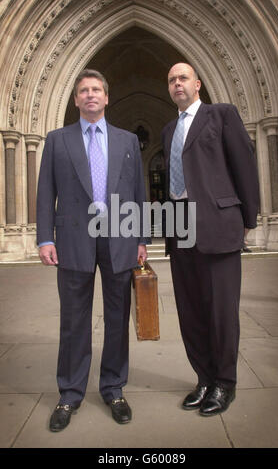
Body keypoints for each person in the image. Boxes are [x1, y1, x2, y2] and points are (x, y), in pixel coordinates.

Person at [37, 69, 148, 431]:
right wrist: (44, 238)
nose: (90, 95)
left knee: (117, 319)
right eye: (83, 90)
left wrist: (142, 238)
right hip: (71, 240)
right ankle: (69, 394)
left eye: (96, 89)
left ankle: (114, 389)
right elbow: (44, 193)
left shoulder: (128, 140)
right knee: (73, 322)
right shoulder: (57, 140)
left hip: (119, 238)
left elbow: (137, 193)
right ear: (75, 99)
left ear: (106, 96)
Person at [162, 63, 259, 416]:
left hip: (218, 226)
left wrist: (248, 218)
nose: (177, 84)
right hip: (181, 231)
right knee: (192, 312)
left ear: (198, 84)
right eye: (171, 80)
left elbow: (244, 166)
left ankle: (224, 384)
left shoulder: (221, 115)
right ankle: (203, 378)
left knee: (220, 312)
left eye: (183, 78)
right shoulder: (169, 129)